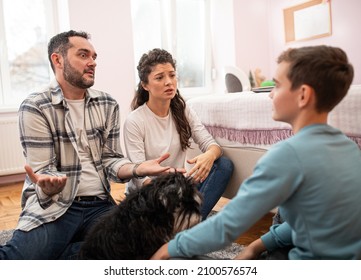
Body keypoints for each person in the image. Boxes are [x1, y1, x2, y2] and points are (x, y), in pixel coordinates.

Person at [151, 45, 361, 260]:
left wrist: (169, 249)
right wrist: (255, 246)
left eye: (277, 85)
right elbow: (316, 220)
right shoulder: (349, 148)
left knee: (177, 257)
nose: (270, 94)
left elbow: (226, 227)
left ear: (303, 95)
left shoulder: (287, 155)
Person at [0, 30, 172, 260]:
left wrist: (137, 168)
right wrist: (49, 185)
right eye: (83, 55)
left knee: (144, 250)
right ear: (57, 59)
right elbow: (43, 169)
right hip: (54, 205)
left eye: (94, 57)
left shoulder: (107, 103)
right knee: (16, 261)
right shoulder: (36, 106)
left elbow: (110, 160)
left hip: (98, 205)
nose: (92, 62)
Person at [123, 48, 234, 220]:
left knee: (223, 165)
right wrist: (172, 190)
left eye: (172, 75)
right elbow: (140, 178)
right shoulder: (135, 120)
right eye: (160, 77)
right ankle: (186, 225)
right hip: (148, 195)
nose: (169, 82)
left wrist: (209, 156)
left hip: (178, 188)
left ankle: (184, 225)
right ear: (145, 85)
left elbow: (211, 145)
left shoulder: (182, 110)